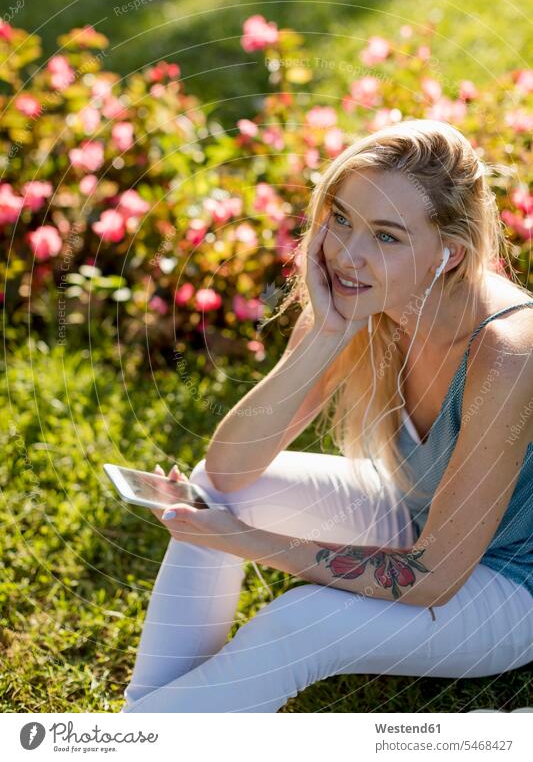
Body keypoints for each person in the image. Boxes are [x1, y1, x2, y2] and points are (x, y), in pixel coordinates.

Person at [121, 119, 533, 713]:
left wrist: (247, 541)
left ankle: (135, 737)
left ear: (450, 255)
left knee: (304, 620)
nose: (346, 254)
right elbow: (230, 470)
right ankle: (149, 716)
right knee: (209, 493)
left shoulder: (507, 351)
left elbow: (435, 575)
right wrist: (326, 336)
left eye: (386, 237)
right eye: (341, 218)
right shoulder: (355, 295)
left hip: (506, 585)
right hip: (416, 518)